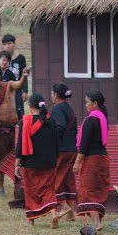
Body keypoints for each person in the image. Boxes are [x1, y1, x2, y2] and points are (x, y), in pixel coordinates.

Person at [0, 64, 29, 196]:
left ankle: (19, 187)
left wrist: (24, 76)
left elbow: (19, 85)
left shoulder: (8, 85)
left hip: (14, 129)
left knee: (19, 158)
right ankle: (1, 188)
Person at [15, 93, 60, 228]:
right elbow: (56, 143)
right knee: (48, 190)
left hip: (31, 162)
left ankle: (31, 220)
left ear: (30, 106)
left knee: (30, 190)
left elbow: (20, 145)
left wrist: (17, 164)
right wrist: (54, 158)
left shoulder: (25, 121)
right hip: (49, 162)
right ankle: (53, 214)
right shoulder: (50, 121)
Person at [74, 90, 110, 231]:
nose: (86, 105)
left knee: (88, 190)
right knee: (99, 189)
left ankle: (97, 223)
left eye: (87, 102)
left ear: (95, 104)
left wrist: (77, 162)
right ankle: (98, 220)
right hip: (103, 158)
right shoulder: (103, 118)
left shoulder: (90, 120)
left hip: (92, 160)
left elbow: (84, 145)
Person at [50, 83, 78, 220]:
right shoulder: (70, 109)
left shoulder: (57, 108)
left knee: (57, 178)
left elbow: (59, 126)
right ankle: (72, 214)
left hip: (61, 149)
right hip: (72, 148)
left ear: (55, 95)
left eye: (52, 93)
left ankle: (64, 207)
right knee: (69, 179)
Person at [2, 34, 28, 119]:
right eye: (5, 44)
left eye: (9, 43)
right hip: (5, 89)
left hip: (18, 89)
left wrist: (25, 91)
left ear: (14, 44)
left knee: (19, 110)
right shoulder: (2, 59)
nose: (7, 46)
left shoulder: (21, 58)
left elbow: (24, 75)